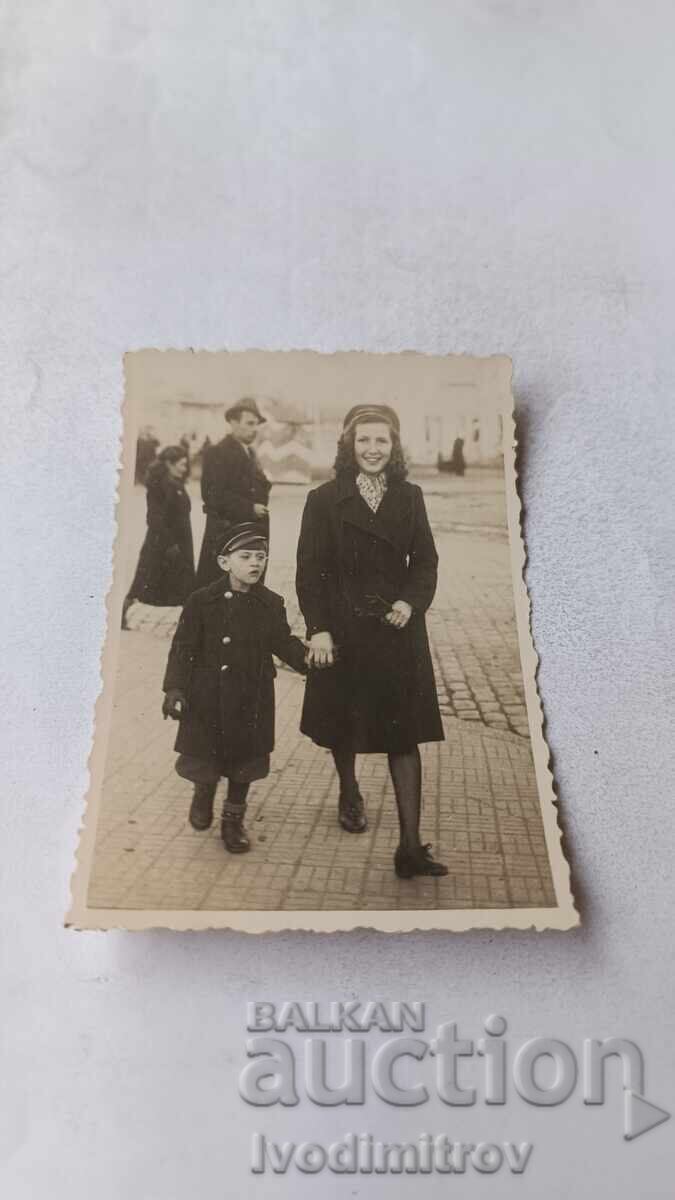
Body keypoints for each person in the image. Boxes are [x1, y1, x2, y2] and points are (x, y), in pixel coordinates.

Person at [296, 403, 448, 879]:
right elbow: (309, 572)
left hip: (397, 632)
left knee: (404, 736)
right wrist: (317, 627)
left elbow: (424, 561)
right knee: (345, 724)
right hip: (343, 632)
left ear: (394, 445)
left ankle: (409, 847)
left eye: (382, 440)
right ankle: (348, 789)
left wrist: (410, 602)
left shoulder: (411, 496)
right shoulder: (323, 499)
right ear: (349, 444)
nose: (373, 449)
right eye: (364, 440)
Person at [162, 523, 308, 853]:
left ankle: (232, 821)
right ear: (224, 562)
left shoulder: (270, 603)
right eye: (246, 556)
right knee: (205, 757)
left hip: (251, 697)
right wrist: (174, 690)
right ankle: (204, 792)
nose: (255, 563)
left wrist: (308, 658)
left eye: (261, 557)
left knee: (245, 763)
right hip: (207, 696)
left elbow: (282, 642)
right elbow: (183, 647)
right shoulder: (201, 601)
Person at [195, 398, 271, 588]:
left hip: (249, 533)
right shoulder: (217, 453)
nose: (254, 429)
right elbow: (212, 495)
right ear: (233, 423)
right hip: (226, 535)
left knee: (246, 591)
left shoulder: (250, 453)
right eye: (249, 423)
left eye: (257, 424)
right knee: (219, 591)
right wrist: (250, 508)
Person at [123, 445, 195, 625]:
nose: (184, 468)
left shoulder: (176, 483)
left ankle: (188, 622)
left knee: (182, 584)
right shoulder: (159, 485)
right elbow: (154, 518)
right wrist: (169, 544)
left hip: (180, 542)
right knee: (143, 583)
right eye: (181, 464)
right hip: (162, 543)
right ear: (169, 464)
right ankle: (121, 617)